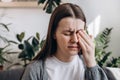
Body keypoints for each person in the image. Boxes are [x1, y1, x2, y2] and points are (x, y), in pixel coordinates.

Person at [21, 3, 108, 80]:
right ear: (54, 33)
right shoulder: (35, 70)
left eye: (79, 33)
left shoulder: (89, 66)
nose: (75, 40)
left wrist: (91, 62)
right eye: (67, 33)